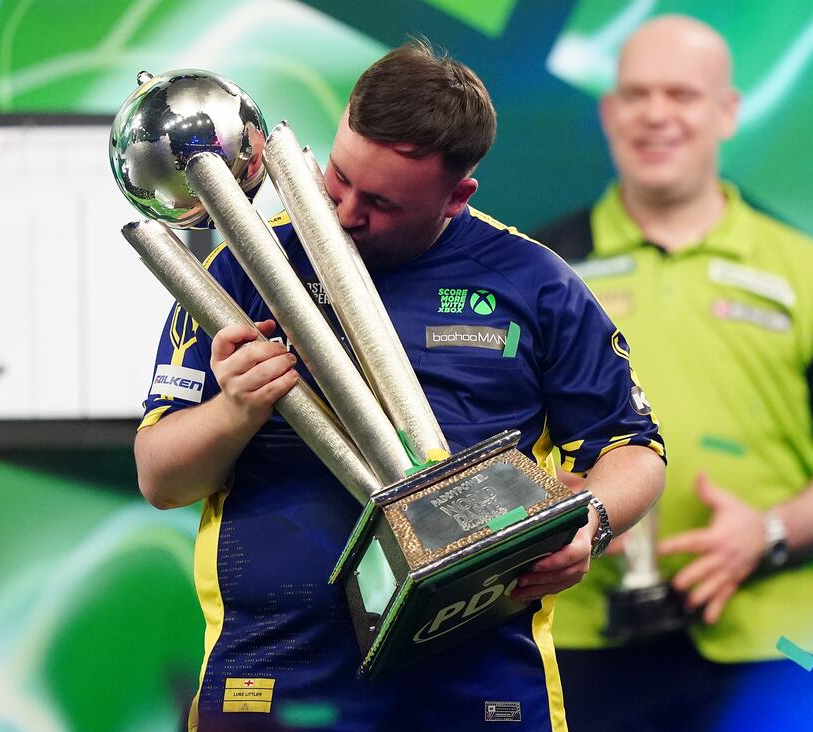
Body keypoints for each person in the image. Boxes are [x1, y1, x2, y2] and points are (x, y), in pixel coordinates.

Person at [136, 39, 666, 732]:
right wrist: (235, 408)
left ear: (457, 195)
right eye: (336, 179)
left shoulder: (536, 284)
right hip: (272, 681)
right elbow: (161, 479)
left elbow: (635, 449)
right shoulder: (243, 267)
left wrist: (590, 524)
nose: (345, 213)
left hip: (479, 688)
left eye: (381, 202)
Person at [537, 14, 813, 732]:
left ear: (727, 111)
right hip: (580, 637)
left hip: (776, 644)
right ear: (609, 112)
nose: (656, 115)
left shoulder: (807, 271)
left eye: (681, 94)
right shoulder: (540, 269)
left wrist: (770, 533)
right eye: (637, 94)